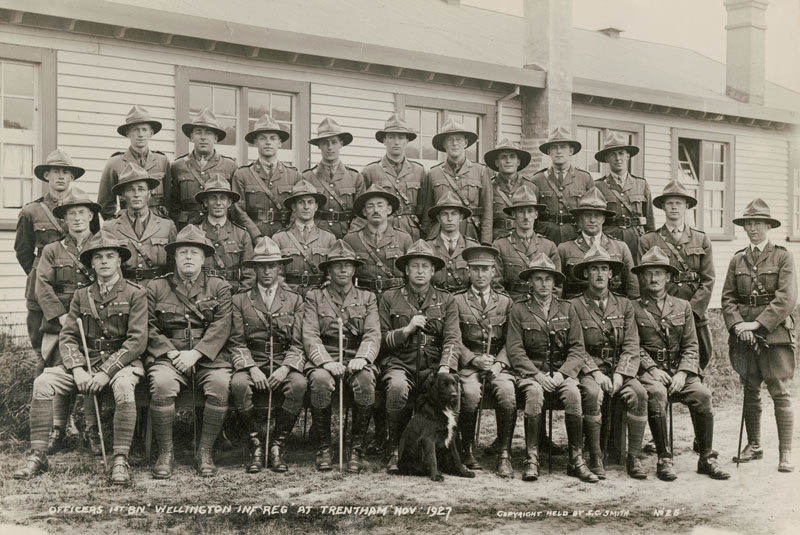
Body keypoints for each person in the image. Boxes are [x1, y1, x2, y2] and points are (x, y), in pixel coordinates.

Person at [12, 232, 148, 484]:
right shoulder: (81, 295)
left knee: (123, 386)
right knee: (42, 382)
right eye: (98, 257)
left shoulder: (135, 294)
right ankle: (38, 456)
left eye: (110, 256)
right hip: (85, 363)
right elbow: (68, 337)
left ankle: (120, 459)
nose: (104, 261)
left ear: (119, 260)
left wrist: (106, 372)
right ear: (92, 263)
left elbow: (136, 341)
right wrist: (77, 369)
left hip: (121, 364)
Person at [633, 246, 730, 481]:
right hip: (650, 372)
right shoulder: (633, 307)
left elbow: (691, 346)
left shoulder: (682, 306)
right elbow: (633, 346)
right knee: (657, 394)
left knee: (703, 395)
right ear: (642, 277)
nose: (654, 278)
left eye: (659, 273)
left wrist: (683, 373)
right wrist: (652, 369)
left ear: (668, 277)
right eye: (648, 273)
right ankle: (664, 458)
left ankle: (706, 458)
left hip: (679, 372)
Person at [501, 253, 598, 483]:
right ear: (531, 282)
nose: (543, 284)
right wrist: (537, 375)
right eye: (538, 279)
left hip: (561, 372)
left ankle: (576, 460)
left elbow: (577, 349)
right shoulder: (519, 310)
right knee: (534, 393)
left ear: (555, 282)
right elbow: (515, 350)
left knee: (573, 393)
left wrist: (563, 374)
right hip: (531, 372)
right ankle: (532, 459)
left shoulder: (567, 308)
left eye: (548, 279)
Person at [146, 225, 233, 478]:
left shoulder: (218, 287)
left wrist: (196, 354)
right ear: (174, 256)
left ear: (203, 258)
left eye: (194, 253)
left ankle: (205, 451)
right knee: (162, 383)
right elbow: (147, 326)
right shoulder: (156, 287)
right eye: (183, 252)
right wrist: (172, 353)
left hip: (207, 357)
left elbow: (222, 326)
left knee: (220, 384)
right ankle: (166, 452)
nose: (188, 257)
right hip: (169, 357)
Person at [722, 199, 797, 473]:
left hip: (774, 334)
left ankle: (785, 453)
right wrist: (737, 326)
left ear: (768, 226)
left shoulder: (783, 257)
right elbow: (728, 298)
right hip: (744, 335)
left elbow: (786, 298)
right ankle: (754, 445)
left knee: (780, 391)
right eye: (748, 223)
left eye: (758, 223)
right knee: (750, 389)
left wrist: (758, 325)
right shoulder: (737, 259)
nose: (752, 228)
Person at [378, 240, 461, 474]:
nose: (420, 271)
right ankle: (396, 449)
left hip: (433, 365)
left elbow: (452, 339)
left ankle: (452, 450)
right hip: (400, 362)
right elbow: (380, 338)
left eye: (425, 266)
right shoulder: (390, 298)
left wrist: (445, 367)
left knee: (454, 389)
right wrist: (406, 331)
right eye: (415, 266)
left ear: (433, 271)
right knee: (396, 388)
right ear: (406, 270)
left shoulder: (446, 300)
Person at [227, 237, 306, 473]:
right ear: (254, 269)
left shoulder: (294, 299)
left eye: (272, 265)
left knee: (299, 384)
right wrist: (251, 368)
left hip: (283, 361)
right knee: (239, 384)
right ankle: (256, 445)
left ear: (280, 267)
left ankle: (277, 445)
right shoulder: (240, 299)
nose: (267, 271)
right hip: (253, 360)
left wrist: (285, 368)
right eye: (262, 266)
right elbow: (236, 341)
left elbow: (299, 343)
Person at [570, 245, 649, 480]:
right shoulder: (574, 305)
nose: (600, 274)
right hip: (589, 369)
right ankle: (595, 456)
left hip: (618, 369)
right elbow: (575, 346)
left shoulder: (624, 305)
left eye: (604, 268)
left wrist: (620, 374)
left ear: (611, 273)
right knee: (592, 393)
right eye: (594, 269)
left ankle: (633, 457)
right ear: (586, 273)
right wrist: (595, 373)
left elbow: (631, 344)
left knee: (639, 394)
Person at [302, 240, 381, 472]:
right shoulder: (315, 297)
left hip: (355, 356)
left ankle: (356, 450)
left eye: (348, 265)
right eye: (338, 265)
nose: (343, 270)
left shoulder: (367, 297)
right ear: (329, 269)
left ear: (354, 269)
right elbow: (310, 335)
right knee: (319, 380)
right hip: (326, 356)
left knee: (366, 380)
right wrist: (326, 362)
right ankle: (324, 448)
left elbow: (372, 333)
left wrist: (363, 358)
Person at [35, 188, 100, 453]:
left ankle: (93, 429)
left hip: (95, 321)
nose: (77, 218)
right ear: (64, 219)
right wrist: (62, 317)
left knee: (90, 369)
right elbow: (42, 285)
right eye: (71, 214)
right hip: (61, 322)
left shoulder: (103, 246)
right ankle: (58, 429)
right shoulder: (52, 250)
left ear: (91, 215)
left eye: (82, 212)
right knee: (60, 370)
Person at [15, 150, 87, 367]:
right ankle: (41, 384)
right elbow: (23, 251)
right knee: (41, 347)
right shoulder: (31, 211)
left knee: (78, 339)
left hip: (74, 285)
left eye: (66, 172)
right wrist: (39, 274)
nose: (61, 176)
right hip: (41, 286)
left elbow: (91, 244)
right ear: (47, 175)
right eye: (56, 171)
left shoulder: (83, 208)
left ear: (72, 177)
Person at [639, 179, 714, 370]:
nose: (674, 207)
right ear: (663, 207)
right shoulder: (649, 240)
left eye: (678, 203)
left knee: (702, 354)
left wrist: (693, 311)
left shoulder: (701, 239)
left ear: (686, 206)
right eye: (670, 203)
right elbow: (643, 279)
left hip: (694, 308)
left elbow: (708, 279)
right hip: (661, 310)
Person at [453, 246, 513, 472]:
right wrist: (473, 359)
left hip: (497, 364)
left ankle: (504, 452)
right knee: (469, 393)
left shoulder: (505, 302)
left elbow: (513, 340)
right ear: (468, 271)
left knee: (507, 392)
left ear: (493, 272)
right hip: (469, 365)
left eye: (485, 269)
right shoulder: (457, 301)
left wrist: (499, 363)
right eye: (476, 269)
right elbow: (453, 339)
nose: (480, 274)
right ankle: (466, 449)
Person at [103, 163, 177, 286]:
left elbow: (174, 265)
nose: (136, 194)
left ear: (149, 194)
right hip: (124, 289)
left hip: (159, 289)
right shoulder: (110, 227)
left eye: (141, 189)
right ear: (123, 196)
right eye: (130, 190)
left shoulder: (167, 226)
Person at [420, 118, 493, 244]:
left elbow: (487, 212)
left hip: (471, 233)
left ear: (465, 143)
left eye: (458, 139)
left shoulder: (480, 171)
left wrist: (486, 242)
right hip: (441, 234)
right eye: (450, 140)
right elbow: (427, 214)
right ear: (444, 144)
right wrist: (427, 239)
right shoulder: (433, 173)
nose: (454, 144)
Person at [558, 187, 638, 299]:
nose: (592, 220)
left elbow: (633, 288)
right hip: (576, 307)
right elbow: (558, 288)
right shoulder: (565, 249)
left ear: (603, 219)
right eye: (587, 215)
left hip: (612, 306)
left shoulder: (620, 247)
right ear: (580, 218)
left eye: (597, 216)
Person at [232, 113, 301, 241]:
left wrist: (285, 237)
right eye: (262, 138)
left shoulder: (294, 176)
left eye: (273, 138)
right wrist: (256, 237)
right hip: (253, 238)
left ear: (280, 143)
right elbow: (238, 211)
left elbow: (297, 210)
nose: (268, 142)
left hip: (286, 238)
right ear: (255, 142)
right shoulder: (242, 174)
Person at [358, 113, 426, 241]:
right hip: (381, 231)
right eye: (391, 137)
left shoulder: (419, 171)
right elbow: (362, 210)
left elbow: (425, 208)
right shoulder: (370, 171)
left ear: (407, 141)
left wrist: (425, 234)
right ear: (384, 140)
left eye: (401, 137)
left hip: (412, 232)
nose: (396, 142)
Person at [98, 105, 171, 219]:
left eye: (144, 129)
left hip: (157, 223)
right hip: (128, 222)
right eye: (136, 130)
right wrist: (116, 223)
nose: (140, 134)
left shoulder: (162, 161)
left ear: (151, 133)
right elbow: (105, 204)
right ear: (128, 133)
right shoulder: (115, 163)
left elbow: (170, 200)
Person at [170, 108, 238, 229]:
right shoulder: (178, 166)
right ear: (191, 137)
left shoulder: (229, 166)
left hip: (218, 228)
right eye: (198, 132)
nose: (203, 137)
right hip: (187, 228)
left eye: (208, 133)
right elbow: (173, 205)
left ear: (216, 138)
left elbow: (234, 205)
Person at [593, 132, 654, 262]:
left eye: (621, 153)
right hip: (609, 240)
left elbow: (649, 222)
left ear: (628, 156)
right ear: (607, 158)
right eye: (612, 154)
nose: (617, 158)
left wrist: (649, 244)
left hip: (636, 240)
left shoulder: (641, 184)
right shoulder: (598, 186)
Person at [491, 185, 558, 301]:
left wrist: (546, 306)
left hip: (541, 305)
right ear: (513, 215)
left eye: (530, 211)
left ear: (536, 214)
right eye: (521, 212)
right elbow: (496, 285)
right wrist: (508, 306)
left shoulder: (549, 246)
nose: (526, 216)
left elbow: (556, 287)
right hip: (512, 303)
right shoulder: (500, 246)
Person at [302, 118, 365, 239]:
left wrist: (351, 236)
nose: (330, 147)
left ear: (341, 144)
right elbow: (300, 213)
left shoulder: (355, 177)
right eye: (325, 143)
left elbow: (362, 214)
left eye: (334, 142)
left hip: (347, 236)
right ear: (319, 146)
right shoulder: (307, 177)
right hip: (316, 237)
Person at [344, 184, 411, 296]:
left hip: (395, 297)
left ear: (389, 210)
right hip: (363, 297)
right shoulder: (351, 239)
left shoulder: (403, 238)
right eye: (370, 206)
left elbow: (411, 275)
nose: (376, 210)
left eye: (380, 205)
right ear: (364, 212)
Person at [272, 180, 337, 296]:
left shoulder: (329, 238)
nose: (306, 207)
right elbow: (276, 274)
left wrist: (321, 295)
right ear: (294, 207)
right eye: (301, 202)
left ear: (316, 207)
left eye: (310, 202)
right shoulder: (279, 238)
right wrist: (291, 297)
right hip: (288, 297)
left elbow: (332, 275)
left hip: (320, 297)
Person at [531, 127, 594, 246]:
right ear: (549, 152)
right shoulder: (537, 179)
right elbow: (531, 213)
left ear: (571, 151)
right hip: (545, 236)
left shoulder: (585, 178)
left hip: (575, 235)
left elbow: (593, 213)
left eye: (563, 147)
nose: (559, 151)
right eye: (554, 147)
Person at [195, 176, 255, 294]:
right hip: (202, 293)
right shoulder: (195, 232)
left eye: (223, 198)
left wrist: (240, 298)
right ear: (205, 202)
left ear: (229, 203)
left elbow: (249, 275)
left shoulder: (242, 234)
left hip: (232, 292)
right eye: (213, 198)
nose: (218, 203)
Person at [426, 192, 481, 293]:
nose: (449, 219)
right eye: (444, 214)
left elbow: (479, 284)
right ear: (438, 218)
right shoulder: (428, 247)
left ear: (461, 217)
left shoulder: (473, 248)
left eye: (454, 214)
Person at [485, 139, 536, 240]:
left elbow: (535, 218)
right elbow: (485, 219)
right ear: (497, 162)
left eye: (512, 157)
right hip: (497, 238)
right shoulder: (489, 186)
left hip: (523, 238)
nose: (508, 161)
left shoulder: (530, 187)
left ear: (518, 162)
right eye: (503, 157)